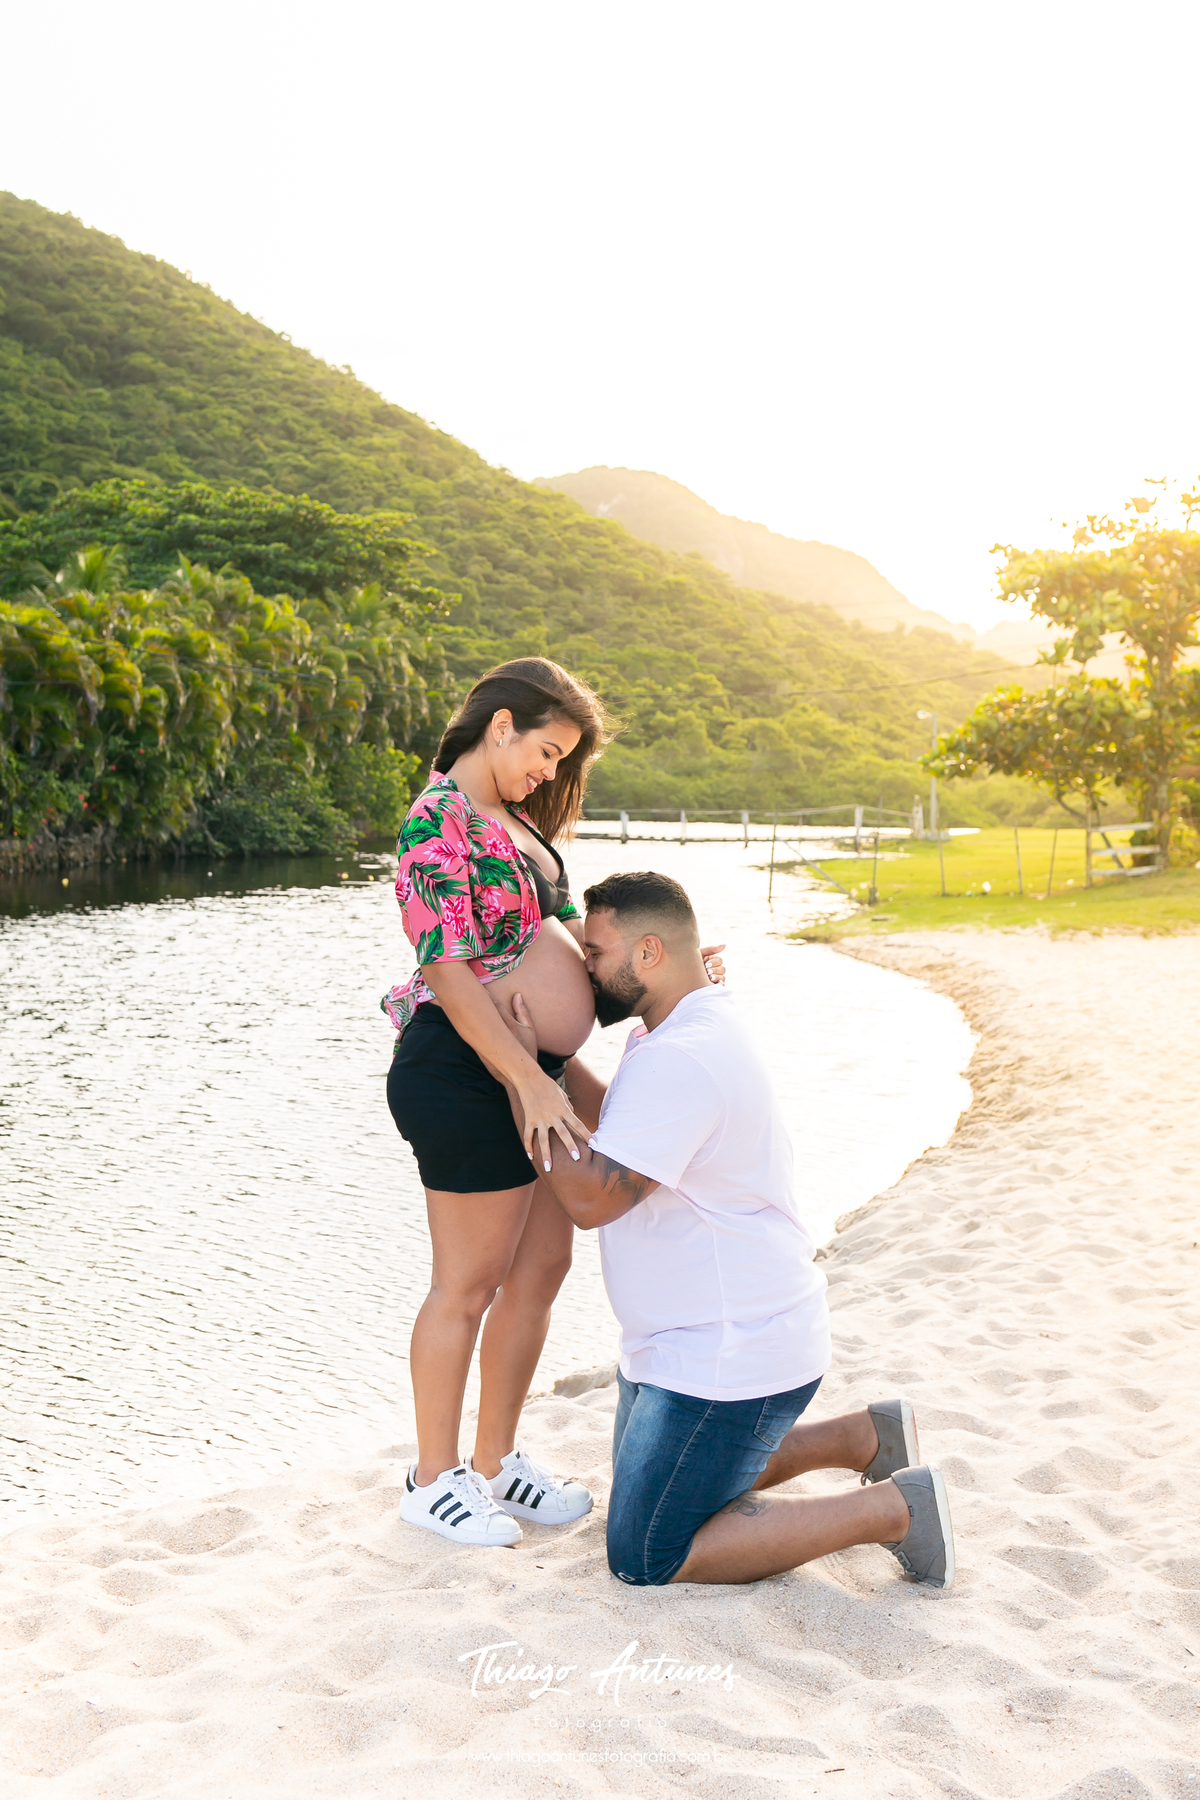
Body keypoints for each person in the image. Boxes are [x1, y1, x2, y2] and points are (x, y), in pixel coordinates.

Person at [496, 869, 956, 1589]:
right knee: (655, 1485)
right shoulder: (680, 1023)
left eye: (594, 952)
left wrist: (521, 1073)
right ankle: (863, 1435)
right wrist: (549, 1061)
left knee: (647, 1551)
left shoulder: (685, 1055)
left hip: (731, 1352)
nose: (584, 968)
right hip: (686, 1344)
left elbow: (590, 1200)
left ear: (649, 953)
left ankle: (897, 1508)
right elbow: (619, 1121)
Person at [382, 660, 726, 1548]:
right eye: (545, 750)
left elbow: (574, 957)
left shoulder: (522, 825)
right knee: (469, 1283)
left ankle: (495, 1462)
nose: (548, 771)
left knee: (541, 1272)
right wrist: (526, 1077)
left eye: (561, 758)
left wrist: (674, 968)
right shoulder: (436, 822)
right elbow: (449, 973)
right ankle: (432, 1475)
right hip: (466, 1073)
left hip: (531, 1069)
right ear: (499, 725)